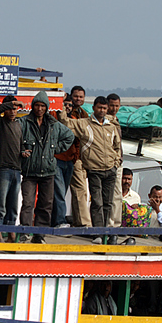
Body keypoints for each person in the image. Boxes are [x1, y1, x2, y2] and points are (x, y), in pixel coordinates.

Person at [58, 96, 122, 236]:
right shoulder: (84, 124)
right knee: (97, 202)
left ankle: (105, 232)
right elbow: (65, 122)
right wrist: (61, 105)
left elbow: (117, 146)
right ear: (93, 108)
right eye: (99, 107)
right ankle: (98, 233)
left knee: (108, 203)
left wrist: (116, 163)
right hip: (94, 170)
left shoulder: (111, 126)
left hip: (110, 170)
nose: (102, 110)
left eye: (104, 108)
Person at [20, 90, 75, 242]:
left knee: (45, 205)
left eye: (42, 106)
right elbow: (15, 138)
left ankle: (39, 234)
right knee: (28, 203)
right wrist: (21, 151)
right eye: (37, 105)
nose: (39, 109)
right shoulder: (24, 122)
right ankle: (24, 231)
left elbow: (70, 136)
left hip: (48, 172)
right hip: (30, 171)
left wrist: (55, 149)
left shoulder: (53, 124)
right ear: (32, 106)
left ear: (47, 107)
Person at [54, 86, 92, 228]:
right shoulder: (60, 115)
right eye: (75, 97)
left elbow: (83, 138)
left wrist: (78, 156)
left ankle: (79, 222)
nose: (78, 100)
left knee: (76, 191)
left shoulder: (83, 115)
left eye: (81, 97)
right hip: (61, 158)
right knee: (60, 190)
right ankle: (61, 221)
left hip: (75, 158)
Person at [0, 95, 23, 240]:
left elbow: (21, 144)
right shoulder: (0, 123)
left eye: (15, 109)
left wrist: (24, 151)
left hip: (17, 170)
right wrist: (11, 103)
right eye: (10, 109)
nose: (13, 111)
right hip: (3, 169)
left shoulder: (18, 125)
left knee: (13, 206)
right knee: (0, 204)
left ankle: (10, 232)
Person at [106, 93, 125, 229]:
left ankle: (116, 225)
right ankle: (110, 224)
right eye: (112, 105)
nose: (114, 108)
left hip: (118, 162)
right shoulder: (105, 121)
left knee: (117, 195)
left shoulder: (116, 120)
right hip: (109, 163)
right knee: (110, 196)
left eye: (117, 106)